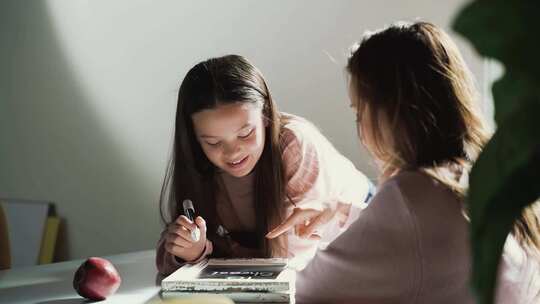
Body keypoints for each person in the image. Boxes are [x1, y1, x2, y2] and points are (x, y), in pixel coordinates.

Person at [295, 21, 540, 304]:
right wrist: (348, 214)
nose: (360, 129)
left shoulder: (415, 193)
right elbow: (426, 250)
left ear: (392, 110)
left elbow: (309, 290)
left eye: (360, 112)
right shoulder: (491, 173)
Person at [156, 54, 373, 277]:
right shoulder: (199, 164)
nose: (232, 152)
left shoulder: (294, 144)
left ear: (266, 116)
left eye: (246, 133)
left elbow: (291, 261)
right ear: (194, 139)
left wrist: (218, 256)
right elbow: (166, 259)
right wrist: (192, 252)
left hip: (363, 225)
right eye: (213, 142)